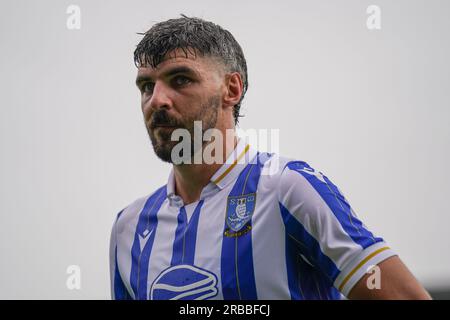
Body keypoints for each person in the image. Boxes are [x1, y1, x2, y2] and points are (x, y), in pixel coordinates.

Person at [109, 15, 431, 300]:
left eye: (180, 79)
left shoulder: (287, 189)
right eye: (146, 86)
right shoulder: (129, 227)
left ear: (231, 89)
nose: (157, 100)